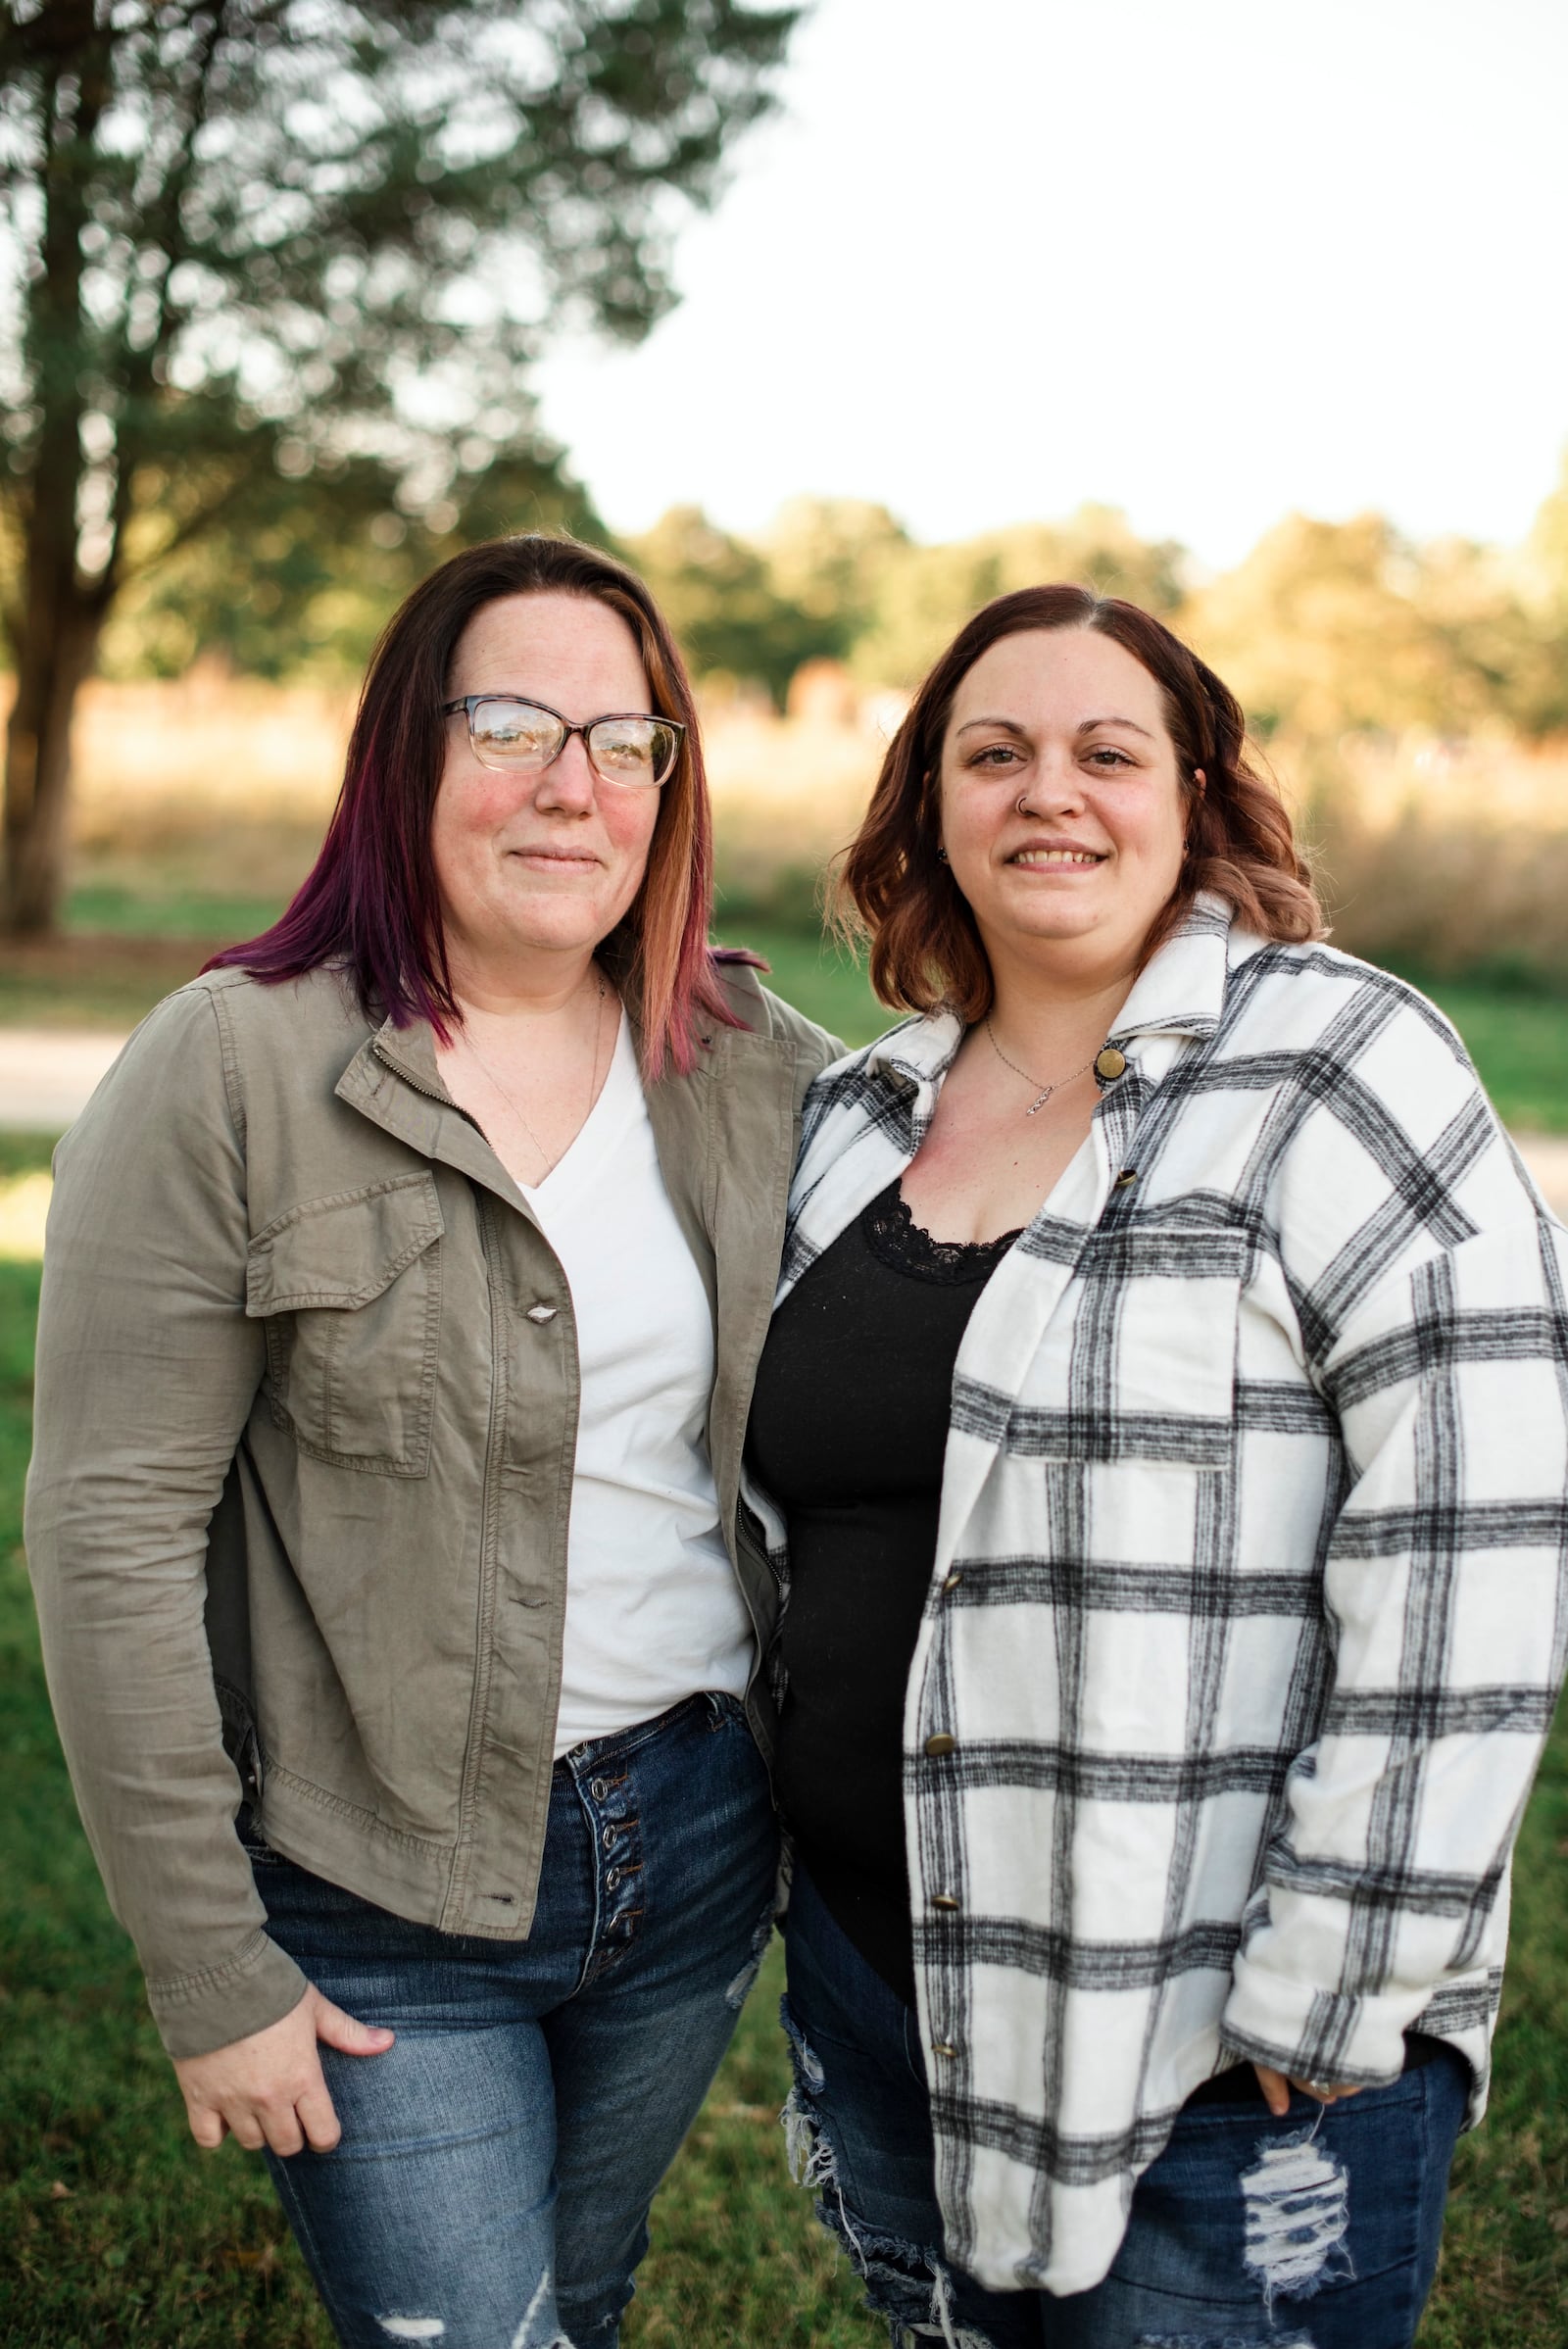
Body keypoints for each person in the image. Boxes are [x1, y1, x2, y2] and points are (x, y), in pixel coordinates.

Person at [26, 533, 840, 2349]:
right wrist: (208, 1963)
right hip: (373, 1879)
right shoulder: (230, 1069)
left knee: (587, 2288)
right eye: (511, 723)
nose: (574, 785)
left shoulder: (754, 1064)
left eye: (628, 740)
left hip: (699, 1841)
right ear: (407, 754)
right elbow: (108, 1534)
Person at [743, 584, 1568, 2348]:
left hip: (1217, 2051)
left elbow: (1474, 1548)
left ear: (1193, 797)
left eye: (1108, 753)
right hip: (898, 1997)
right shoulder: (853, 1119)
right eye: (996, 754)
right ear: (930, 809)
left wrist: (1329, 1987)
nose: (1053, 792)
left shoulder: (1339, 1065)